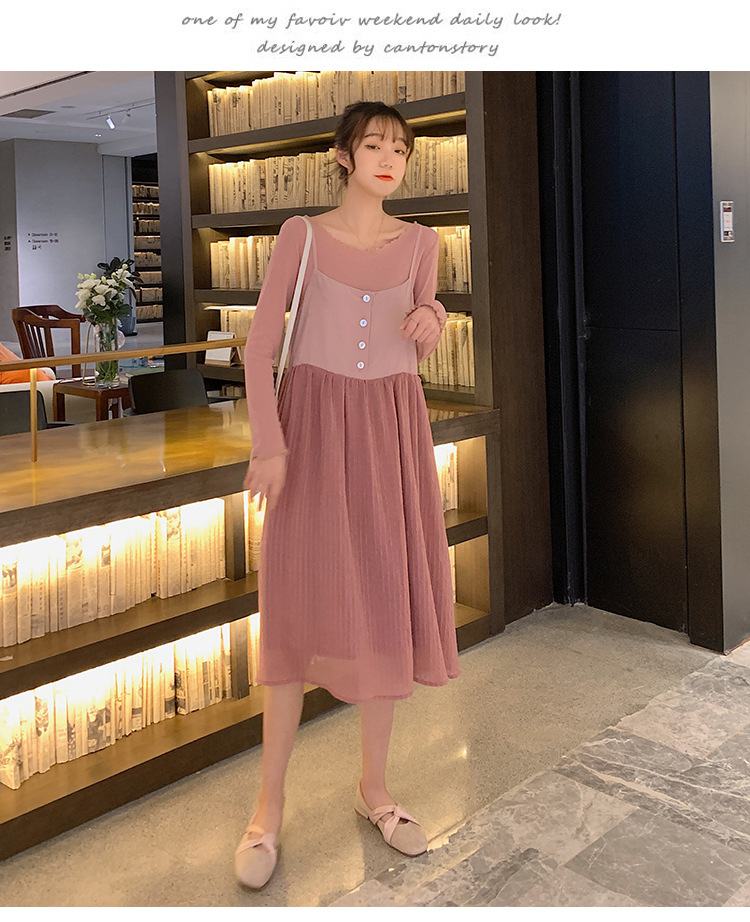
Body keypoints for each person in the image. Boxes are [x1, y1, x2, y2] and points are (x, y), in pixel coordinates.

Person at [235, 99, 461, 889]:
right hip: (310, 435)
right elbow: (259, 347)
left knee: (384, 606)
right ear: (344, 155)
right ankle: (267, 810)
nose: (390, 158)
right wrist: (269, 443)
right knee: (293, 612)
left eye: (401, 148)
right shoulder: (300, 235)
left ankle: (377, 791)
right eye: (375, 145)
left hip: (390, 436)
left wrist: (433, 312)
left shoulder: (423, 243)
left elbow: (421, 330)